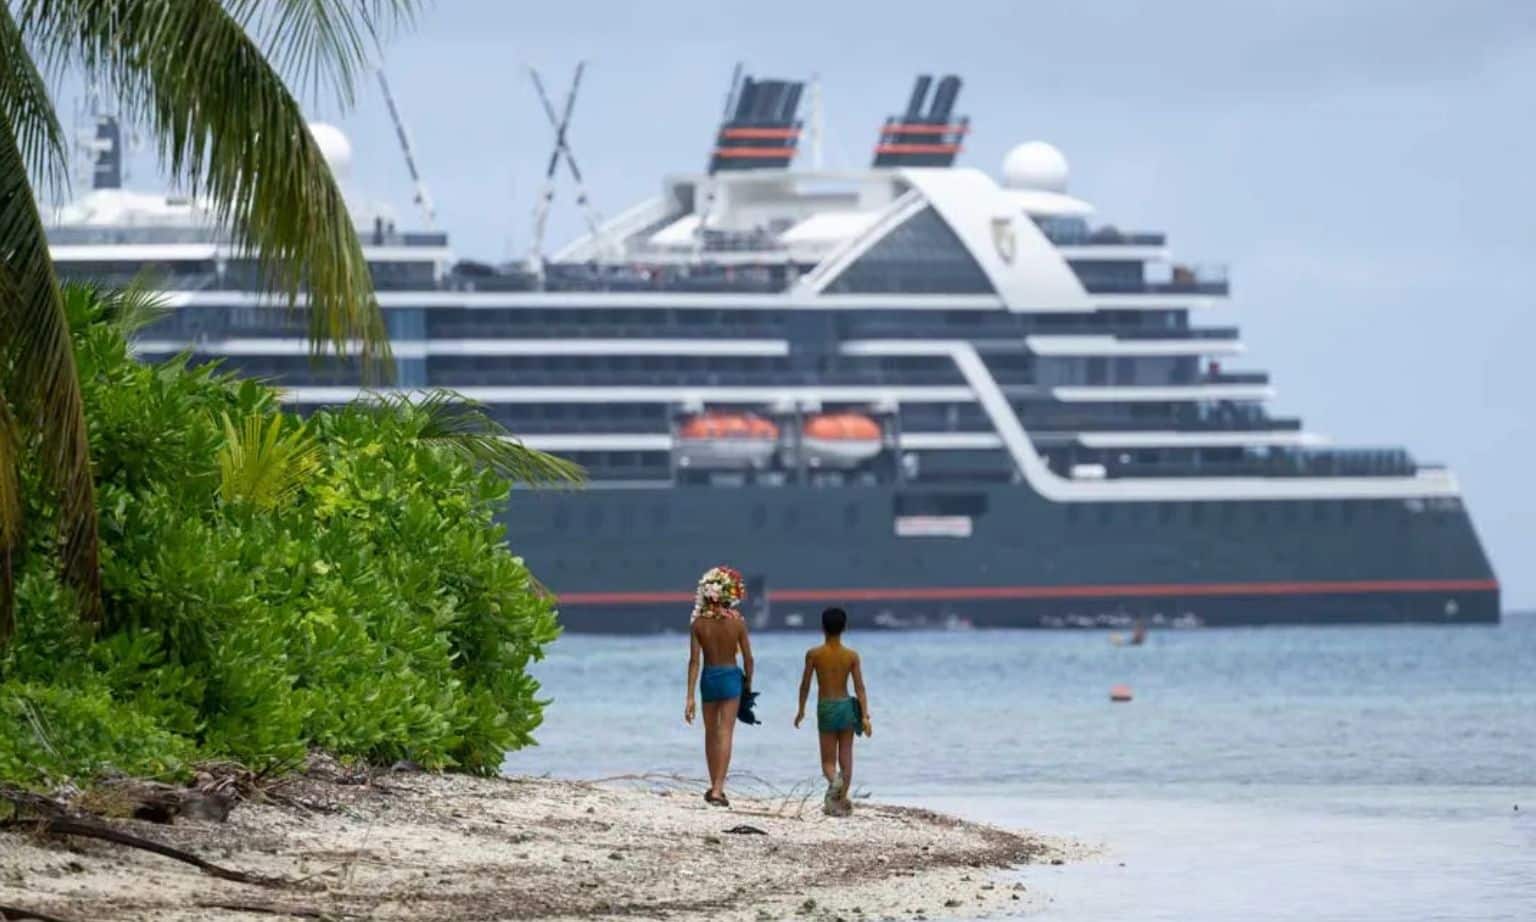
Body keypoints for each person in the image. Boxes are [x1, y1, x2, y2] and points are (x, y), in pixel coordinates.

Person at [684, 565, 754, 807]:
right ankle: (718, 788)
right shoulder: (738, 624)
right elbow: (748, 659)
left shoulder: (698, 624)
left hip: (709, 677)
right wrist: (748, 683)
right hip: (731, 677)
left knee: (711, 732)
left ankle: (713, 783)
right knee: (725, 732)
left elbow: (694, 661)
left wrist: (689, 696)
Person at [794, 606, 872, 816]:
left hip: (826, 707)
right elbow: (860, 687)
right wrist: (864, 715)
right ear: (844, 628)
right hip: (846, 706)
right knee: (846, 756)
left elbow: (805, 685)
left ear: (822, 627)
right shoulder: (851, 656)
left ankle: (835, 782)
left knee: (828, 762)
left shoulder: (814, 654)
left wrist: (801, 710)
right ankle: (841, 798)